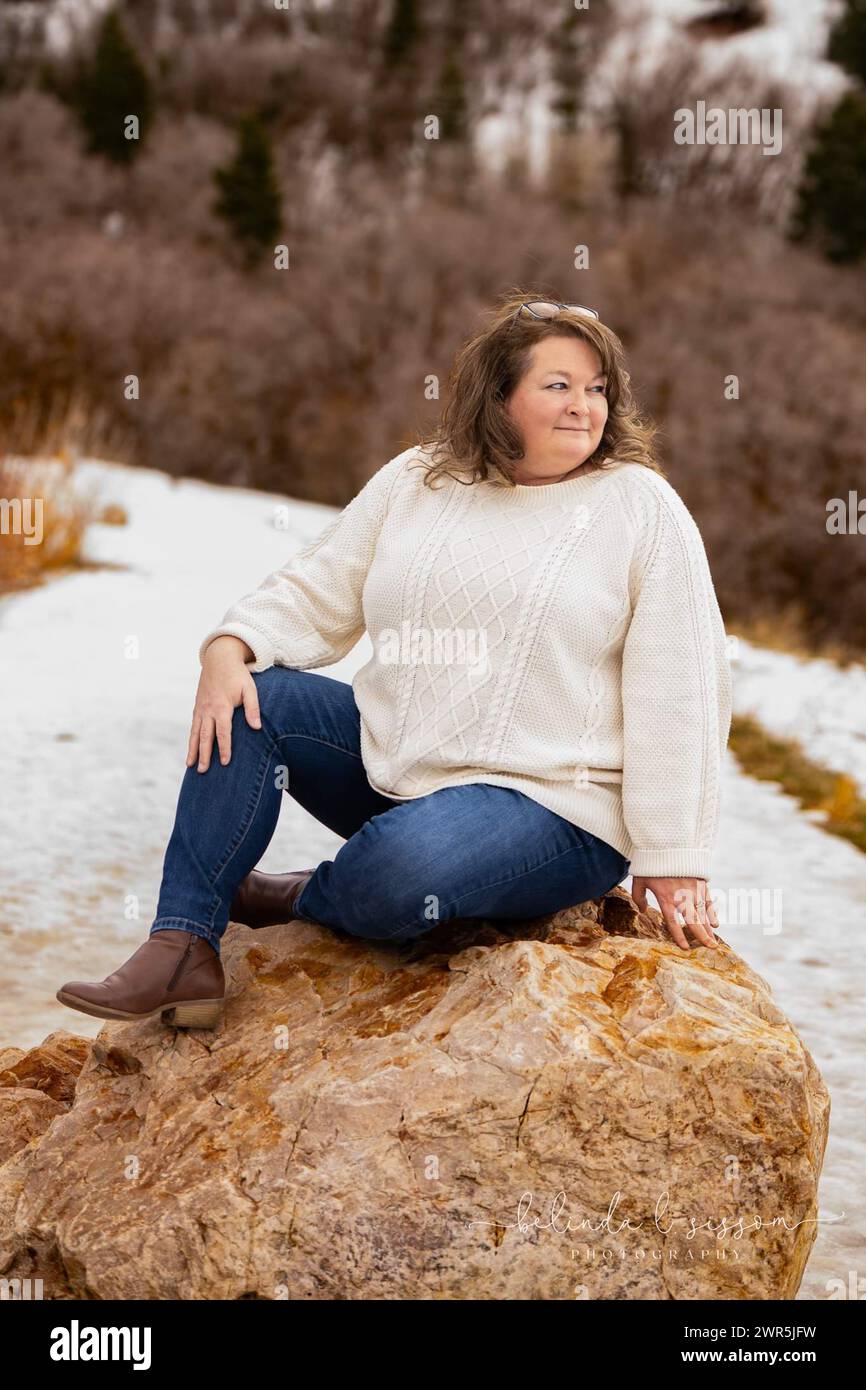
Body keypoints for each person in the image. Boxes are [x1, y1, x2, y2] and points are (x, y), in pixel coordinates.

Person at [56, 292, 732, 1031]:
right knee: (256, 697)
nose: (584, 406)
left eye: (598, 389)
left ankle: (296, 895)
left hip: (557, 805)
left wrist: (674, 852)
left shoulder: (641, 507)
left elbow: (682, 686)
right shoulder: (422, 479)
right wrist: (229, 646)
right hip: (403, 765)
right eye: (558, 385)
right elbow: (321, 585)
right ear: (498, 396)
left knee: (402, 875)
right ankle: (182, 943)